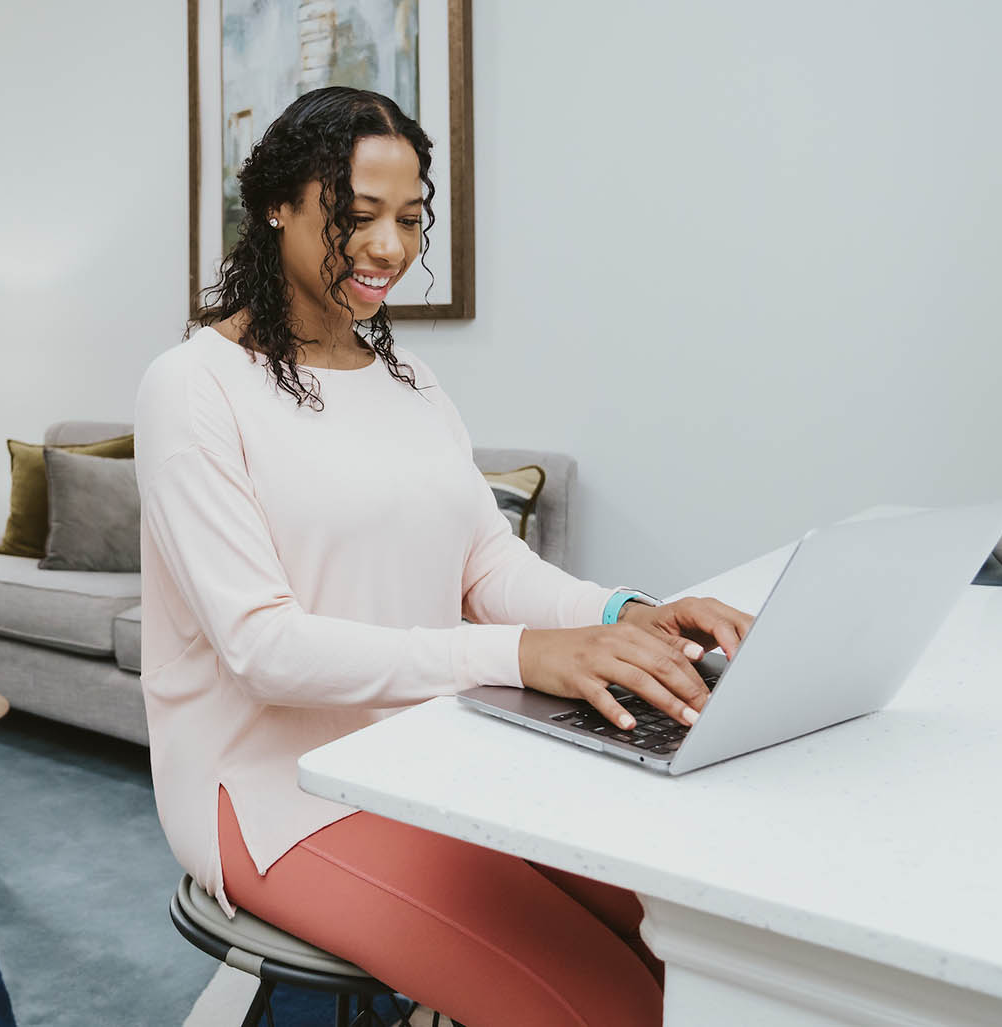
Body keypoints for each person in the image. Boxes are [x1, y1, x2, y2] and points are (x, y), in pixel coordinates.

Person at [133, 87, 755, 1026]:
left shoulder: (412, 382)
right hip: (274, 790)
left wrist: (625, 613)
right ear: (276, 205)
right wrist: (512, 655)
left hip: (430, 753)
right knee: (603, 1009)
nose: (389, 246)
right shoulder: (194, 386)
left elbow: (489, 567)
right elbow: (263, 648)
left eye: (410, 219)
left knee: (683, 942)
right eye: (356, 216)